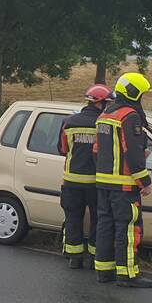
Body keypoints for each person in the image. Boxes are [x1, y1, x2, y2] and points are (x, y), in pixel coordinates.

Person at [93, 72, 152, 288]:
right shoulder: (129, 116)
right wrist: (144, 182)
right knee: (128, 228)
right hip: (124, 184)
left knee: (105, 225)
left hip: (104, 183)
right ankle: (128, 274)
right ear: (134, 93)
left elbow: (96, 150)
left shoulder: (105, 115)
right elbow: (134, 152)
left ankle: (104, 270)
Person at [58, 84, 113, 269]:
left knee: (73, 218)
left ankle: (75, 258)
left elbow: (62, 149)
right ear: (100, 103)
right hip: (96, 183)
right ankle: (94, 258)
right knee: (98, 220)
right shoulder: (103, 123)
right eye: (106, 103)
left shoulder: (69, 122)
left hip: (71, 181)